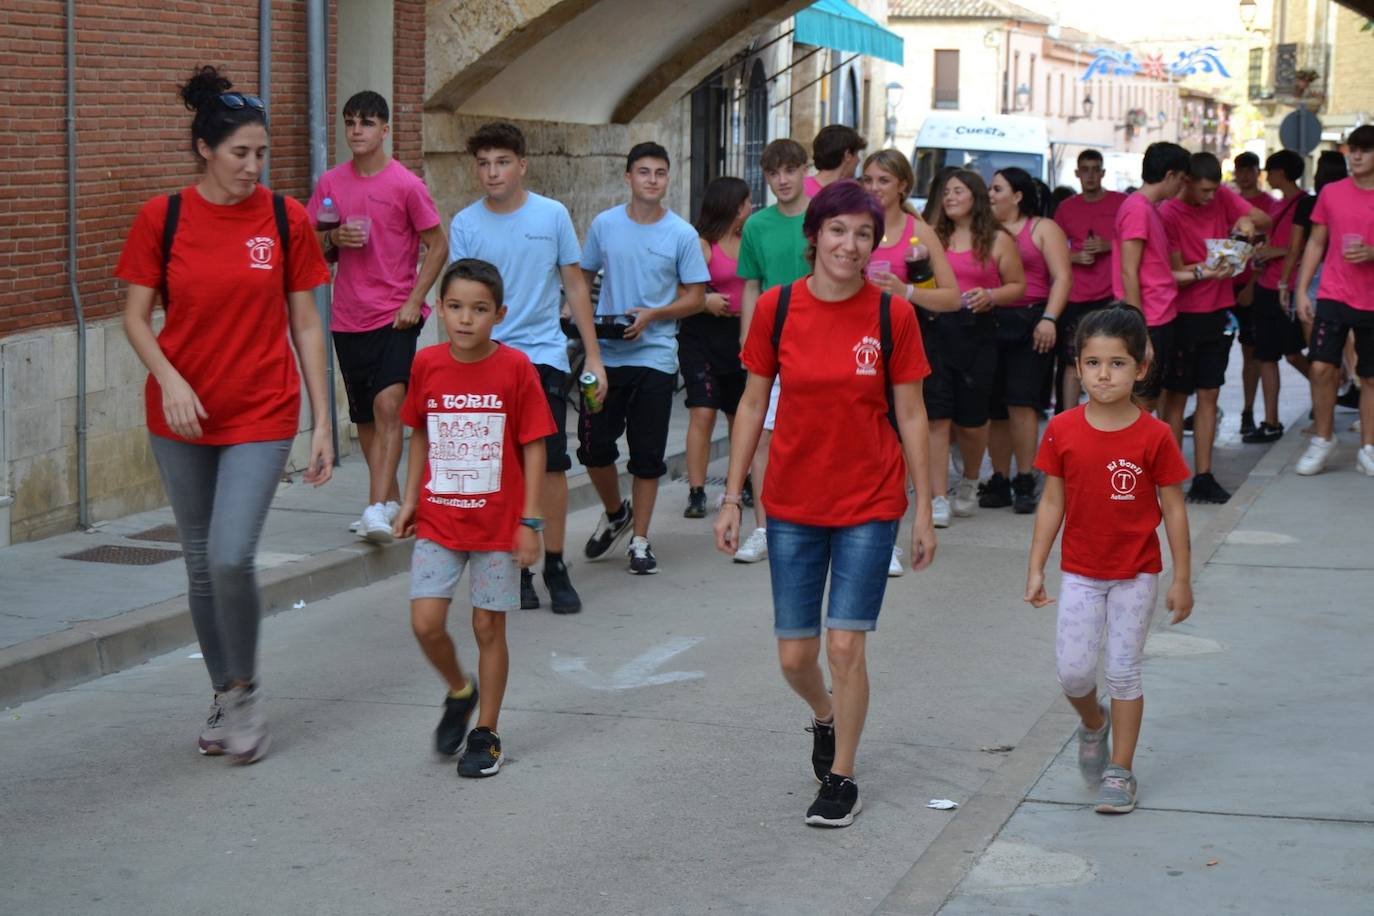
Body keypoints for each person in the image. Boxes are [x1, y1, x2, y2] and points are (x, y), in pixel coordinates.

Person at [118, 66, 334, 764]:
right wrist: (170, 379)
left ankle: (244, 692)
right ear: (205, 150)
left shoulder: (284, 217)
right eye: (241, 152)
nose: (253, 166)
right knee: (200, 566)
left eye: (261, 153)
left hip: (263, 410)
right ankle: (225, 690)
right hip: (180, 415)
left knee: (230, 553)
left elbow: (306, 324)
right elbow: (135, 316)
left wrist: (323, 422)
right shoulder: (164, 216)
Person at [714, 180, 937, 828]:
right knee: (795, 657)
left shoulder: (892, 315)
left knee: (845, 648)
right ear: (814, 237)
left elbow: (913, 412)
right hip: (790, 501)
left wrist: (923, 507)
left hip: (870, 499)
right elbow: (753, 402)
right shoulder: (778, 309)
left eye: (863, 233)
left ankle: (841, 775)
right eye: (838, 231)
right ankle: (824, 715)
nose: (850, 244)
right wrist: (733, 497)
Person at [1025, 304, 1193, 815]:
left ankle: (1121, 771)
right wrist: (1036, 566)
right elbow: (1052, 501)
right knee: (1074, 675)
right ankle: (1093, 724)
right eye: (1093, 362)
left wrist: (1182, 578)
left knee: (1124, 672)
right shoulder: (1063, 429)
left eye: (1117, 363)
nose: (1104, 374)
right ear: (1077, 367)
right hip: (1079, 571)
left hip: (1136, 574)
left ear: (1141, 367)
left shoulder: (1156, 436)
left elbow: (1175, 510)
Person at [393, 259, 555, 777]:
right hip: (440, 519)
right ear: (439, 309)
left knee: (488, 626)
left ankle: (486, 732)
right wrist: (409, 496)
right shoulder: (428, 364)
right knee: (425, 622)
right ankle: (459, 691)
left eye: (479, 309)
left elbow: (534, 446)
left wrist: (529, 522)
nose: (466, 319)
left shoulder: (515, 369)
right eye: (456, 307)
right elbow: (420, 429)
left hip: (495, 526)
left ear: (499, 314)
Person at [447, 121, 607, 615]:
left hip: (542, 356)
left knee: (553, 462)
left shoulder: (552, 215)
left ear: (522, 165)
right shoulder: (466, 224)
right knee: (503, 468)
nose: (492, 173)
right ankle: (518, 568)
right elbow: (460, 299)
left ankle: (555, 563)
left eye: (501, 162)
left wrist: (594, 357)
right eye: (483, 164)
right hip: (487, 359)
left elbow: (575, 287)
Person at [306, 91, 448, 544]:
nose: (356, 131)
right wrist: (333, 243)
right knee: (366, 418)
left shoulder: (405, 185)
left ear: (384, 130)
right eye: (350, 122)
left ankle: (372, 510)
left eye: (366, 123)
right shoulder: (331, 183)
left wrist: (415, 299)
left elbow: (438, 245)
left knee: (390, 406)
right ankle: (387, 501)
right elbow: (311, 242)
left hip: (396, 315)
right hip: (348, 315)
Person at [579, 142, 710, 574]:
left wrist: (655, 315)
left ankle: (640, 539)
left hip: (655, 357)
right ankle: (617, 513)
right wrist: (573, 312)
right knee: (594, 446)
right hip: (606, 356)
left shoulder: (681, 234)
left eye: (659, 173)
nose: (652, 180)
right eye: (643, 172)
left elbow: (695, 298)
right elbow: (581, 276)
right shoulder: (605, 225)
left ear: (667, 179)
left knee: (647, 454)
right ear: (628, 177)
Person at [1158, 151, 1269, 503]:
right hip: (1182, 314)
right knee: (1175, 398)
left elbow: (1262, 217)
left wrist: (1246, 226)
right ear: (1186, 181)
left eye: (1214, 191)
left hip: (1218, 310)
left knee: (1210, 394)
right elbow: (1175, 272)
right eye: (1204, 191)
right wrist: (1208, 268)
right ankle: (1171, 475)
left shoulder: (1221, 195)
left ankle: (1204, 476)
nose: (1210, 197)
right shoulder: (1169, 213)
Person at [861, 149, 960, 536]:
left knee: (908, 427)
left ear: (903, 185)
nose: (874, 188)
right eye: (868, 179)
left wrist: (907, 291)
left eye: (883, 180)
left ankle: (903, 516)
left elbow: (952, 297)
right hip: (860, 341)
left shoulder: (921, 233)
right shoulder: (853, 224)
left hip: (909, 338)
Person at [734, 138, 814, 564]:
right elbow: (752, 285)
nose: (781, 180)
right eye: (773, 173)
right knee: (762, 435)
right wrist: (748, 341)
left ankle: (819, 522)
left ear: (805, 170)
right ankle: (764, 528)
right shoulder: (756, 225)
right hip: (773, 345)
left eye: (789, 170)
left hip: (820, 345)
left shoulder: (822, 221)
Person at [930, 169, 1027, 519]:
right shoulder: (932, 236)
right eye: (945, 192)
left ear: (974, 197)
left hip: (977, 331)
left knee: (971, 423)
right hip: (936, 328)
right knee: (936, 418)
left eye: (958, 191)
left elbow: (1018, 285)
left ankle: (970, 478)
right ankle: (938, 497)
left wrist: (991, 295)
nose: (950, 197)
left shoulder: (997, 239)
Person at [984, 167, 1071, 513]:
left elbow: (1063, 277)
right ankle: (1000, 478)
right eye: (989, 189)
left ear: (1017, 196)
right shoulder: (984, 230)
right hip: (990, 319)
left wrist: (1049, 318)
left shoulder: (1042, 227)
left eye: (997, 188)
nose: (990, 194)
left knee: (1021, 403)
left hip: (1032, 320)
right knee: (994, 407)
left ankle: (1024, 477)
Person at [1294, 125, 1374, 477]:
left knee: (1370, 377)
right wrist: (1300, 289)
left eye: (1365, 150)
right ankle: (1323, 439)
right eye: (1352, 149)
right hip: (1333, 293)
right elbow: (1315, 242)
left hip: (1372, 300)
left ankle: (1368, 447)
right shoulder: (1332, 193)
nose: (1355, 156)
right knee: (1321, 367)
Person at [681, 177, 752, 519]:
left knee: (740, 415)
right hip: (702, 335)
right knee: (703, 411)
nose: (751, 208)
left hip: (740, 334)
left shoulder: (750, 239)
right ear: (733, 206)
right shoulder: (702, 244)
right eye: (746, 203)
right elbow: (679, 294)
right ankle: (696, 490)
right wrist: (704, 300)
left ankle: (741, 482)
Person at [1112, 141, 1192, 411]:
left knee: (1150, 398)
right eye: (1181, 179)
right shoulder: (1138, 209)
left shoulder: (1148, 208)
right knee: (1142, 401)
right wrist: (1140, 331)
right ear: (1169, 175)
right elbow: (1128, 271)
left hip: (1160, 315)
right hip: (1150, 319)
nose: (1181, 187)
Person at [1243, 150, 1312, 443]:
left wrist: (1276, 253)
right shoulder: (1278, 206)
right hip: (1267, 287)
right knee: (1265, 355)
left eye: (1269, 171)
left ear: (1281, 173)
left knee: (1294, 354)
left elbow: (1306, 247)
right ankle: (1271, 421)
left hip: (1289, 288)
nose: (1266, 176)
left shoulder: (1305, 203)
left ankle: (1330, 391)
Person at [1053, 149, 1128, 412]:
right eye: (1085, 169)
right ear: (1077, 173)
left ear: (1103, 173)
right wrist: (1074, 258)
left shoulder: (1121, 203)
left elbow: (1135, 242)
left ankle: (1107, 414)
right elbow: (1053, 249)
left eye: (1095, 169)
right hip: (1075, 296)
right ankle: (1068, 420)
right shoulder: (1066, 208)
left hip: (1110, 295)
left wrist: (1108, 246)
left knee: (1112, 359)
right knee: (1072, 361)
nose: (1090, 175)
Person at [1286, 151, 1354, 403]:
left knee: (1320, 353)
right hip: (1349, 279)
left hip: (1318, 282)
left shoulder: (1311, 204)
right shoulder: (1350, 201)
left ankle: (1324, 407)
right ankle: (1346, 388)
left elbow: (1298, 248)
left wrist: (1288, 284)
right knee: (1348, 351)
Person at [1231, 151, 1275, 436]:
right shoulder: (1227, 203)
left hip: (1253, 287)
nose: (1244, 175)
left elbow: (1270, 249)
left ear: (1257, 172)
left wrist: (1252, 284)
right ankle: (1203, 410)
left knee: (1252, 353)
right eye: (1240, 170)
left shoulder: (1269, 206)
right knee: (1215, 355)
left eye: (1249, 169)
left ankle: (1248, 411)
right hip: (1222, 286)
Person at [805, 125, 866, 199]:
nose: (858, 160)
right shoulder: (851, 194)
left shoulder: (799, 187)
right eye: (856, 154)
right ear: (847, 155)